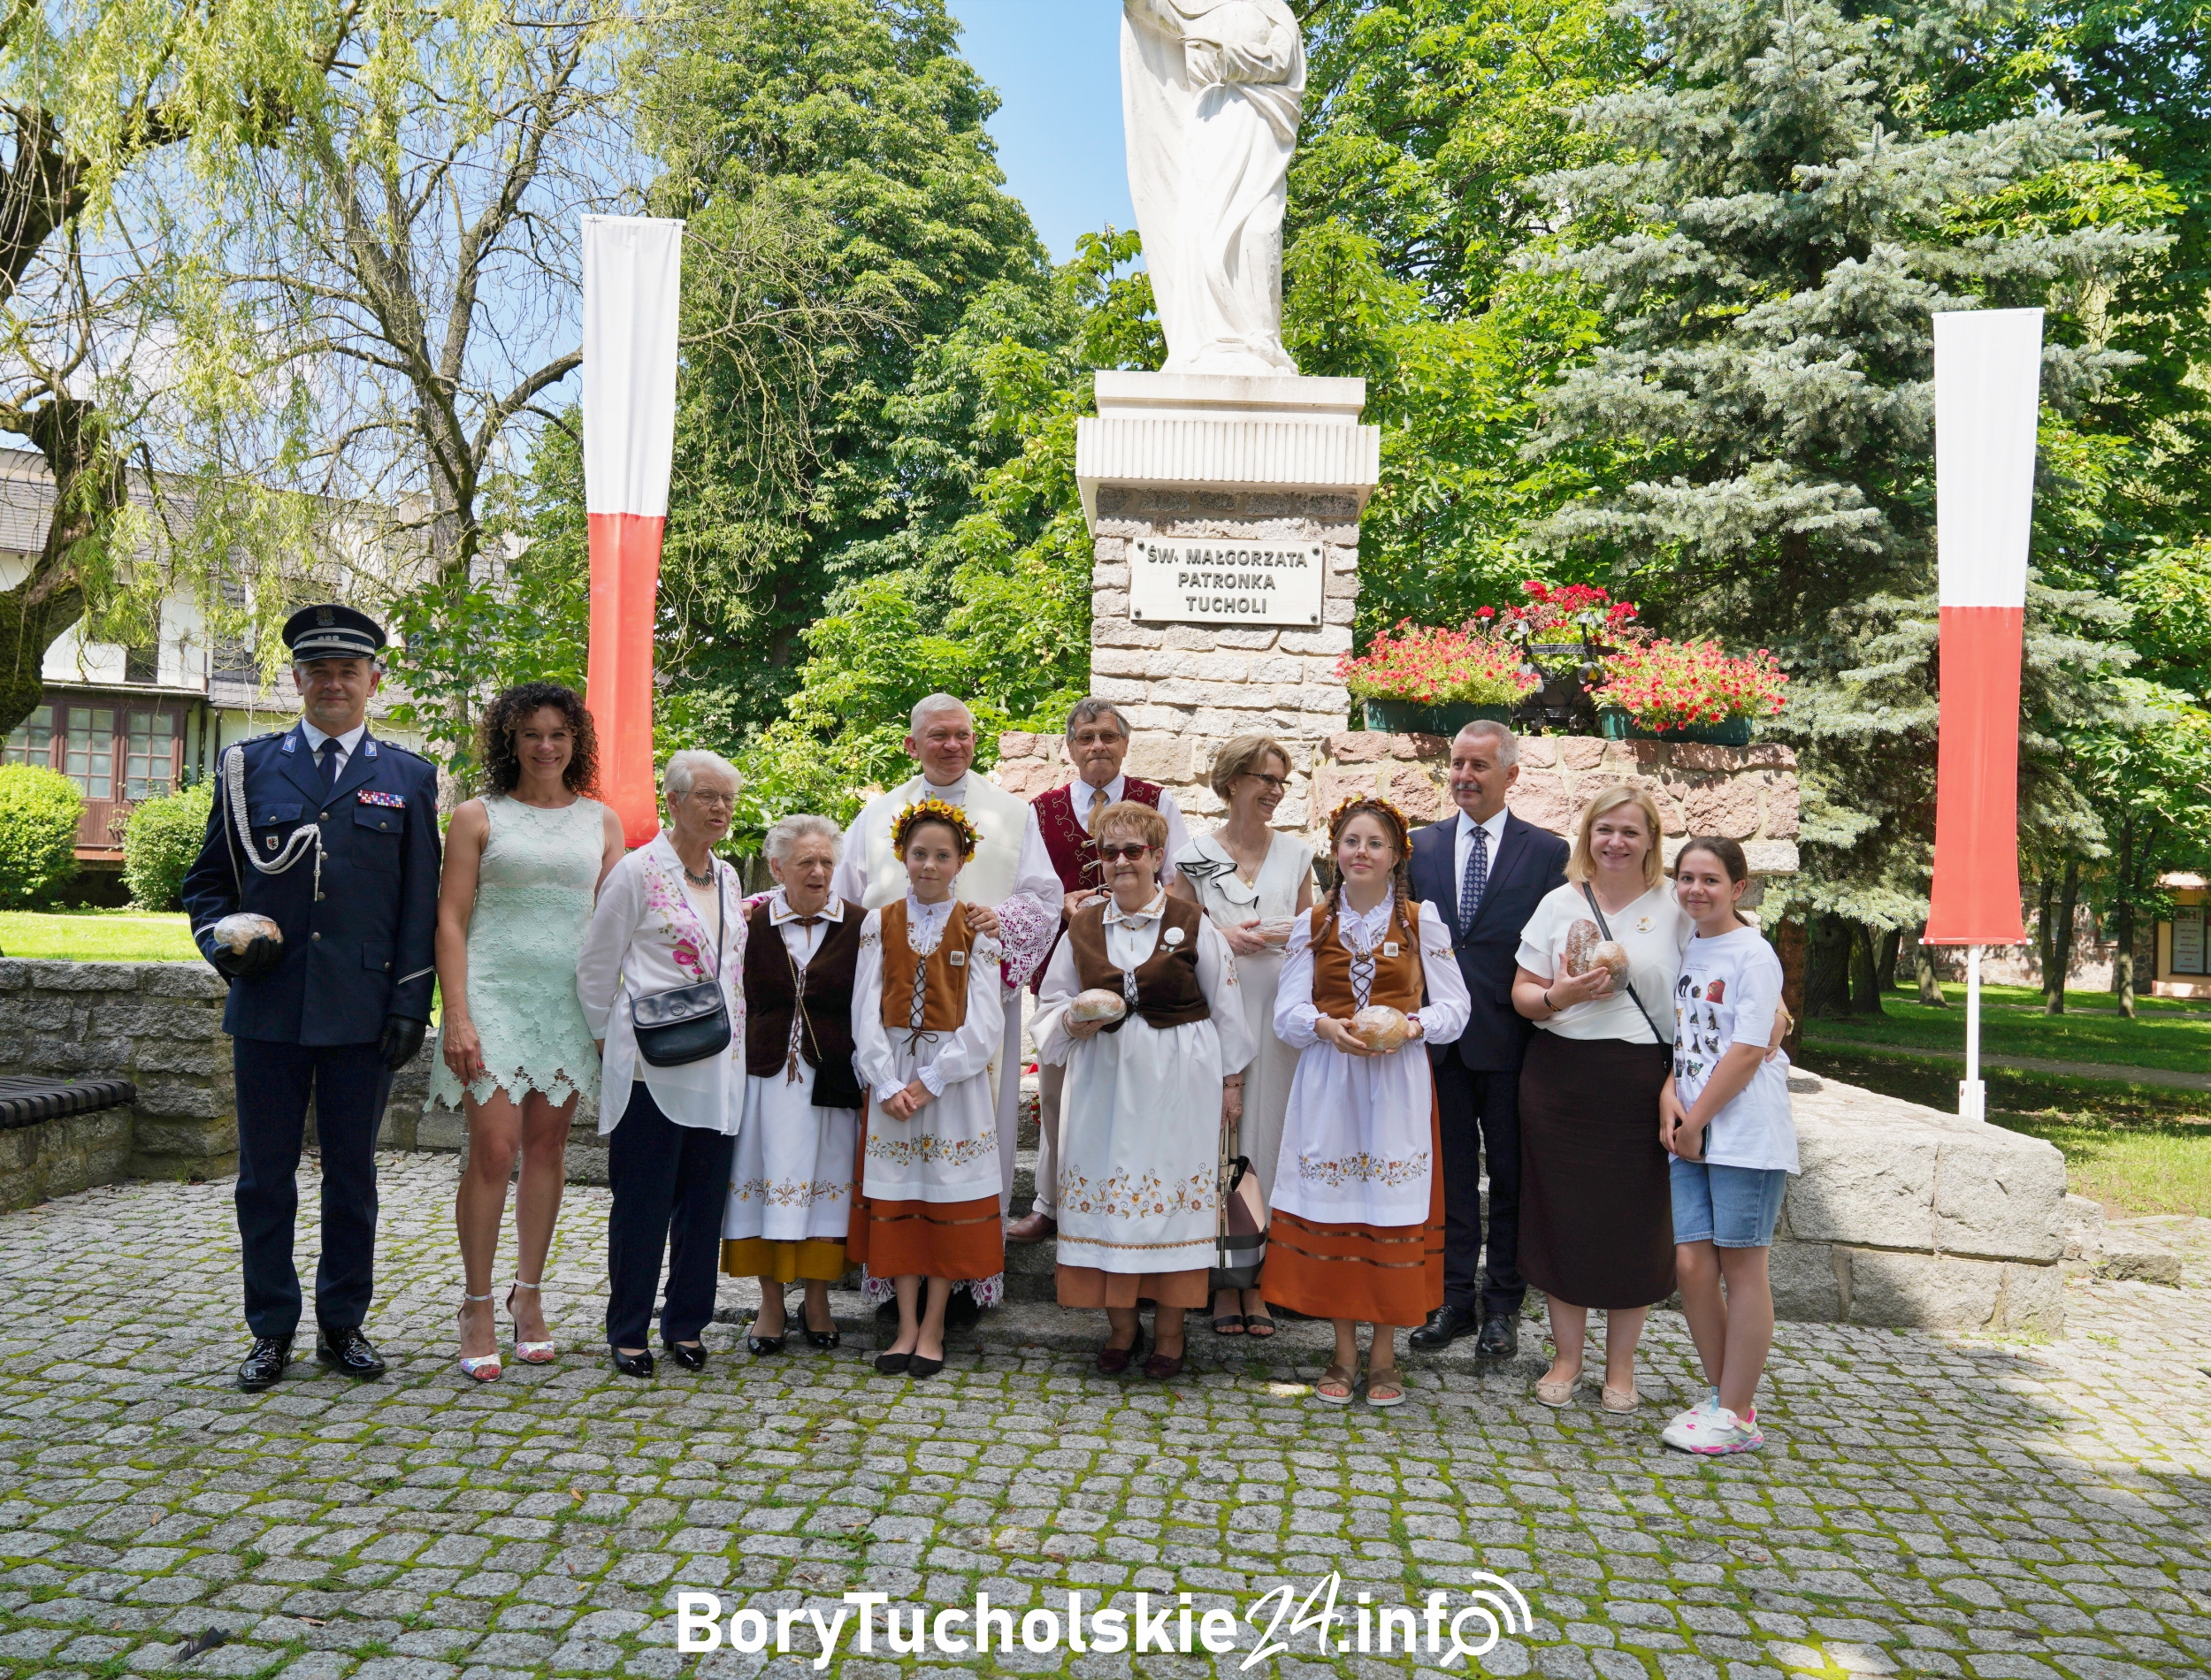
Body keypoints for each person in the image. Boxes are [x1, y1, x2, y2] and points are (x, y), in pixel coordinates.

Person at [181, 603, 440, 1393]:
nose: (334, 684)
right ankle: (270, 1331)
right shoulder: (247, 768)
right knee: (264, 1177)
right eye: (319, 672)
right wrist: (224, 944)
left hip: (363, 1011)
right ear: (296, 679)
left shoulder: (408, 778)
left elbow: (419, 904)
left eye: (348, 672)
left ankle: (342, 1324)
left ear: (374, 680)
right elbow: (206, 887)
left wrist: (408, 1004)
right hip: (269, 1007)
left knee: (352, 1176)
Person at [432, 683, 624, 1381]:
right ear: (509, 741)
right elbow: (450, 920)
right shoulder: (478, 817)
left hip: (568, 1003)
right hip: (493, 998)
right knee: (494, 1147)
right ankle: (477, 1302)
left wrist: (612, 1015)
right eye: (533, 734)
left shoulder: (603, 822)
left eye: (559, 734)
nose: (547, 746)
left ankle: (529, 1295)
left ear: (577, 743)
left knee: (546, 1148)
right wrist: (457, 1014)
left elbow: (613, 927)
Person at [1033, 800, 1255, 1378]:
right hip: (1103, 1084)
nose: (1122, 861)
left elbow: (1228, 1009)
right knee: (1110, 1200)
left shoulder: (1193, 922)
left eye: (1134, 851)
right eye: (1110, 852)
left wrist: (1232, 1085)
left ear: (1157, 857)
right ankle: (1121, 1327)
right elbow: (1051, 1002)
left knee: (1173, 1204)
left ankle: (1172, 1335)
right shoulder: (1082, 926)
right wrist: (1070, 1020)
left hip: (1178, 1086)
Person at [1267, 796, 1469, 1407]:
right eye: (1351, 841)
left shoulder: (1419, 920)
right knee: (1338, 1213)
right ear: (1334, 853)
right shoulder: (1313, 922)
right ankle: (1343, 1353)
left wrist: (1410, 1028)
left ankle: (1384, 1358)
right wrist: (1324, 1027)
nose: (1361, 853)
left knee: (1387, 1214)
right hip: (1330, 1085)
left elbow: (1456, 1008)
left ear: (1396, 856)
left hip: (1396, 1087)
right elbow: (1286, 1013)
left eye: (1375, 843)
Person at [831, 695, 1060, 1224]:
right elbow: (844, 902)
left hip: (975, 1008)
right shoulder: (876, 815)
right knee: (899, 1121)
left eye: (962, 734)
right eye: (938, 735)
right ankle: (897, 1262)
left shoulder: (1013, 813)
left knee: (976, 1125)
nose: (952, 746)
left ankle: (966, 1266)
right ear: (913, 744)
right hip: (896, 1017)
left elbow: (1043, 898)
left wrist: (1001, 920)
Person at [1511, 784, 1689, 1414]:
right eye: (1603, 829)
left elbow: (1715, 987)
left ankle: (1621, 1368)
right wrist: (1564, 995)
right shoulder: (1561, 903)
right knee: (1563, 1220)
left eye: (1630, 832)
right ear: (1587, 835)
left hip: (1641, 1079)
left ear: (1650, 841)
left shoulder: (1678, 905)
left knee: (1633, 1227)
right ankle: (1566, 1358)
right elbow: (1523, 996)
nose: (1615, 842)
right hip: (1560, 1078)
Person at [576, 751, 748, 1379]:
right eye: (707, 795)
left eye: (727, 798)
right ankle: (627, 1329)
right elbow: (597, 967)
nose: (720, 808)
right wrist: (608, 1044)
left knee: (704, 1206)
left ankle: (687, 1323)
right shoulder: (637, 872)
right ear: (672, 801)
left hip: (719, 1063)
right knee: (643, 1204)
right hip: (654, 1063)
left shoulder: (728, 877)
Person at [1405, 721, 1568, 1360]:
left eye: (1478, 766)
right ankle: (1452, 1301)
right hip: (1438, 1046)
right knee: (1447, 1181)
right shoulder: (1416, 848)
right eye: (1457, 764)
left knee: (1509, 1177)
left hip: (1512, 1044)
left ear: (1511, 775)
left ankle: (1503, 1307)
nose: (1464, 777)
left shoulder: (1548, 853)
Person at [1010, 697, 1193, 1246]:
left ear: (1125, 743)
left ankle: (1130, 1194)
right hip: (1069, 962)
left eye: (1108, 736)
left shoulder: (1157, 801)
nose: (1097, 746)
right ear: (1069, 747)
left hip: (1145, 958)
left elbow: (1182, 880)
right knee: (1058, 1087)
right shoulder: (1039, 811)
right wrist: (1062, 904)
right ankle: (1049, 1201)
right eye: (1086, 737)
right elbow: (1026, 892)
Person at [849, 798, 1008, 1378]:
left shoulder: (977, 927)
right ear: (903, 856)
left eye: (943, 855)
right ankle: (906, 1324)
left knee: (943, 1199)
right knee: (903, 1203)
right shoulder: (879, 922)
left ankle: (936, 1325)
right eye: (920, 854)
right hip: (891, 1079)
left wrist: (932, 1079)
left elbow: (987, 1023)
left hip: (952, 1086)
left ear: (962, 860)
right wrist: (887, 1080)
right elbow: (864, 1009)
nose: (930, 866)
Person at [1167, 733, 1313, 1337]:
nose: (1275, 792)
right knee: (1217, 1142)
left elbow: (1313, 938)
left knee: (1267, 1138)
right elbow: (1172, 938)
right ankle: (1220, 1282)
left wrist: (1289, 934)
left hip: (1277, 1014)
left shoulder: (1297, 857)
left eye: (1281, 781)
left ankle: (1261, 1279)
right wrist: (1219, 938)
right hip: (1214, 1014)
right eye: (1264, 779)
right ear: (1231, 782)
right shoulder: (1196, 854)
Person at [1660, 837, 1799, 1455]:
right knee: (1692, 1266)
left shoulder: (1753, 953)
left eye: (1710, 880)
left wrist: (1698, 1124)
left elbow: (1745, 1052)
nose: (1696, 890)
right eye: (1686, 878)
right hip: (1691, 1126)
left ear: (1738, 888)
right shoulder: (1691, 944)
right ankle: (1723, 1397)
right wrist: (1671, 1091)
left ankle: (1738, 1413)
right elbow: (1691, 1037)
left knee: (1743, 1270)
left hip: (1742, 1134)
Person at [721, 813, 861, 1354]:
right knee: (766, 1180)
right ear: (778, 867)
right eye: (806, 862)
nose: (819, 871)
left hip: (831, 1082)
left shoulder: (861, 925)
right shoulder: (746, 924)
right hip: (764, 1079)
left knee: (826, 1188)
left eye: (827, 861)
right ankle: (772, 1302)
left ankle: (819, 1300)